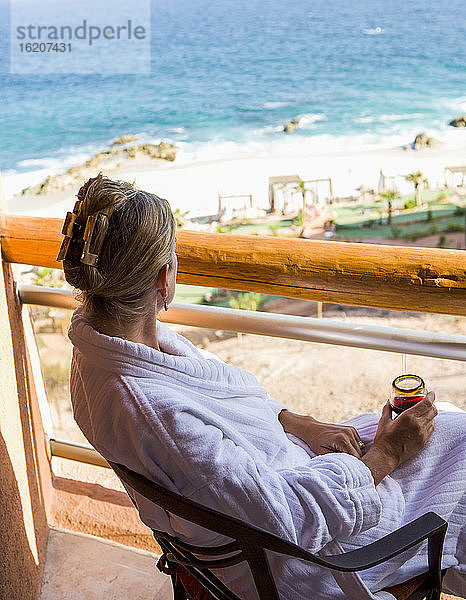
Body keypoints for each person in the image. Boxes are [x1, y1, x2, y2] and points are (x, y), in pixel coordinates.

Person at [59, 174, 465, 600]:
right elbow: (284, 519)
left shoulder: (102, 353)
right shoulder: (158, 415)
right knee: (459, 439)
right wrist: (386, 455)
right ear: (165, 279)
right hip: (313, 558)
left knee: (447, 427)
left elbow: (230, 404)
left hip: (284, 486)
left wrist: (299, 422)